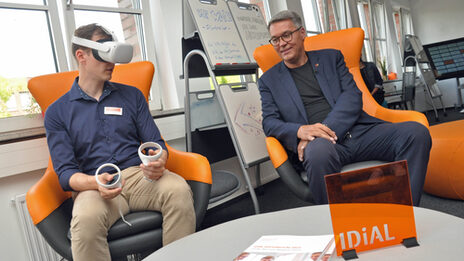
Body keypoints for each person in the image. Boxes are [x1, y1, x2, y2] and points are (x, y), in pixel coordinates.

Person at [44, 23, 195, 261]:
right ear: (81, 56)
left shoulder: (132, 96)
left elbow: (156, 143)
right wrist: (94, 182)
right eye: (103, 55)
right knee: (85, 220)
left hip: (139, 177)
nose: (111, 63)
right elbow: (65, 173)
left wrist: (159, 160)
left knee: (178, 190)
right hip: (94, 183)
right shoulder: (57, 112)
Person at [258, 11, 431, 206]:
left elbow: (352, 97)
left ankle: (403, 214)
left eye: (286, 35)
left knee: (416, 133)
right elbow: (270, 122)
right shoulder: (268, 81)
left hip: (360, 131)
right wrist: (301, 131)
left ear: (302, 33)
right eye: (275, 39)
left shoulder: (331, 58)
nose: (281, 43)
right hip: (321, 146)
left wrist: (322, 130)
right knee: (317, 154)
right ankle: (339, 227)